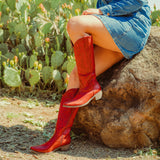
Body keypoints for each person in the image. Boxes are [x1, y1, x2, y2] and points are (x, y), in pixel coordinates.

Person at [30, 0, 151, 153]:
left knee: (75, 23)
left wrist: (102, 12)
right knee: (75, 76)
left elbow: (137, 2)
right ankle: (61, 137)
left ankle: (90, 86)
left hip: (132, 26)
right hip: (113, 31)